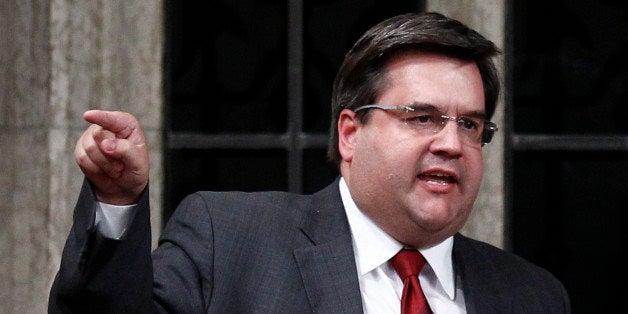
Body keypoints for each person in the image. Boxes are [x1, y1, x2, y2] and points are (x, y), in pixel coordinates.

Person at [49, 12, 570, 313]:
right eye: (421, 117)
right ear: (350, 132)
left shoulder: (532, 296)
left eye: (471, 125)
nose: (452, 144)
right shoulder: (230, 242)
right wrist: (116, 203)